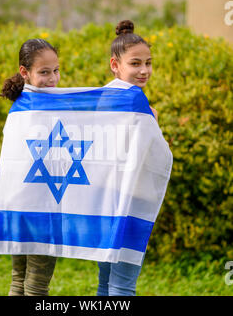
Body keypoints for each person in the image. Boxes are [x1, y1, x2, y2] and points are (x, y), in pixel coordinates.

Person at [97, 20, 158, 296]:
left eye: (148, 62)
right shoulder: (135, 102)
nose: (144, 70)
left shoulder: (102, 97)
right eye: (135, 63)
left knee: (106, 282)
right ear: (115, 65)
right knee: (123, 286)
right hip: (130, 202)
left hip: (103, 201)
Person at [0, 38, 60, 296]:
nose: (53, 78)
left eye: (56, 70)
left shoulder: (19, 107)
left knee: (18, 281)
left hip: (17, 205)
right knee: (36, 287)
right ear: (25, 73)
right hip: (42, 207)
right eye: (44, 72)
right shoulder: (48, 106)